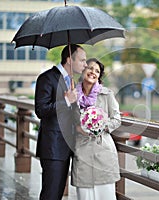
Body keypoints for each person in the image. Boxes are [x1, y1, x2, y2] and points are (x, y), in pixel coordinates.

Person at [35, 44, 87, 200]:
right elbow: (41, 110)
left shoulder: (71, 81)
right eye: (82, 60)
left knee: (57, 194)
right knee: (51, 194)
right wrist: (66, 100)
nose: (85, 64)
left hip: (66, 148)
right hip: (53, 148)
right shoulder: (46, 78)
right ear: (70, 59)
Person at [71, 58, 121, 200]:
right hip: (82, 150)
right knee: (84, 196)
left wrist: (100, 125)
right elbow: (67, 120)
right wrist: (76, 128)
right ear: (83, 70)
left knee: (106, 195)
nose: (93, 72)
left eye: (97, 71)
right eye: (90, 68)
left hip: (103, 150)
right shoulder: (72, 94)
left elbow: (117, 119)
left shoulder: (107, 94)